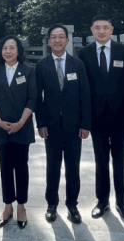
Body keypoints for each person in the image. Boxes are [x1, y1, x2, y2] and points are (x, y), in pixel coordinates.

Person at [78, 14, 124, 221]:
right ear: (92, 30)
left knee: (120, 160)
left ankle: (122, 203)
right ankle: (102, 201)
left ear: (112, 30)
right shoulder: (84, 53)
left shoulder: (123, 51)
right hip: (96, 116)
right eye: (97, 28)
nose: (101, 31)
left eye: (105, 27)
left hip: (120, 115)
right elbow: (82, 88)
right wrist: (84, 117)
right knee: (101, 160)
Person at [35, 24, 91, 224]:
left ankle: (72, 205)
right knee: (53, 166)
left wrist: (86, 124)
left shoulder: (78, 65)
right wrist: (40, 123)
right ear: (48, 41)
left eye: (61, 37)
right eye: (53, 37)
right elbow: (37, 98)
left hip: (74, 126)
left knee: (73, 167)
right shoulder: (42, 66)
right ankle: (51, 204)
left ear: (67, 40)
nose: (57, 40)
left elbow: (85, 95)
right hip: (51, 126)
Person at [0, 35, 37, 229]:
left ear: (19, 51)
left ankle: (21, 206)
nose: (8, 51)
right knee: (5, 167)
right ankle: (7, 206)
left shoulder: (29, 71)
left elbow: (32, 99)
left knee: (21, 167)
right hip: (1, 128)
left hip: (21, 128)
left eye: (12, 48)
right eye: (4, 48)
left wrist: (21, 122)